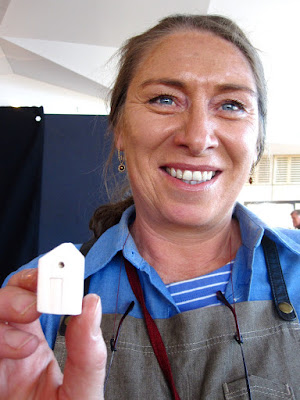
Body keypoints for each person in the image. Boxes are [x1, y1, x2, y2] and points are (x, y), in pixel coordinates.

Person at [1, 14, 300, 400]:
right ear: (120, 128)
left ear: (257, 141)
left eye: (231, 105)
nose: (196, 138)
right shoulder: (38, 301)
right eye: (164, 99)